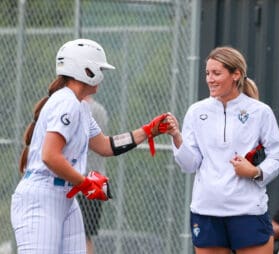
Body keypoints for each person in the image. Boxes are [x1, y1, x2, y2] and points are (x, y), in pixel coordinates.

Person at [10, 38, 170, 254]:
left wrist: (146, 132)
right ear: (85, 69)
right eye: (99, 68)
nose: (102, 74)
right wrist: (84, 183)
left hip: (65, 195)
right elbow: (50, 156)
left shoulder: (81, 107)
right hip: (42, 196)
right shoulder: (66, 101)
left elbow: (105, 145)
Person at [165, 46, 279, 254]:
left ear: (236, 74)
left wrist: (255, 172)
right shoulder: (196, 112)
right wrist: (177, 137)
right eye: (207, 73)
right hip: (206, 211)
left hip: (248, 211)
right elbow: (189, 164)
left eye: (216, 73)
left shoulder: (260, 112)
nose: (210, 79)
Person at [77, 95, 108, 254]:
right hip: (97, 180)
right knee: (85, 236)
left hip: (82, 179)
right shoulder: (100, 110)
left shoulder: (83, 109)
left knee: (81, 235)